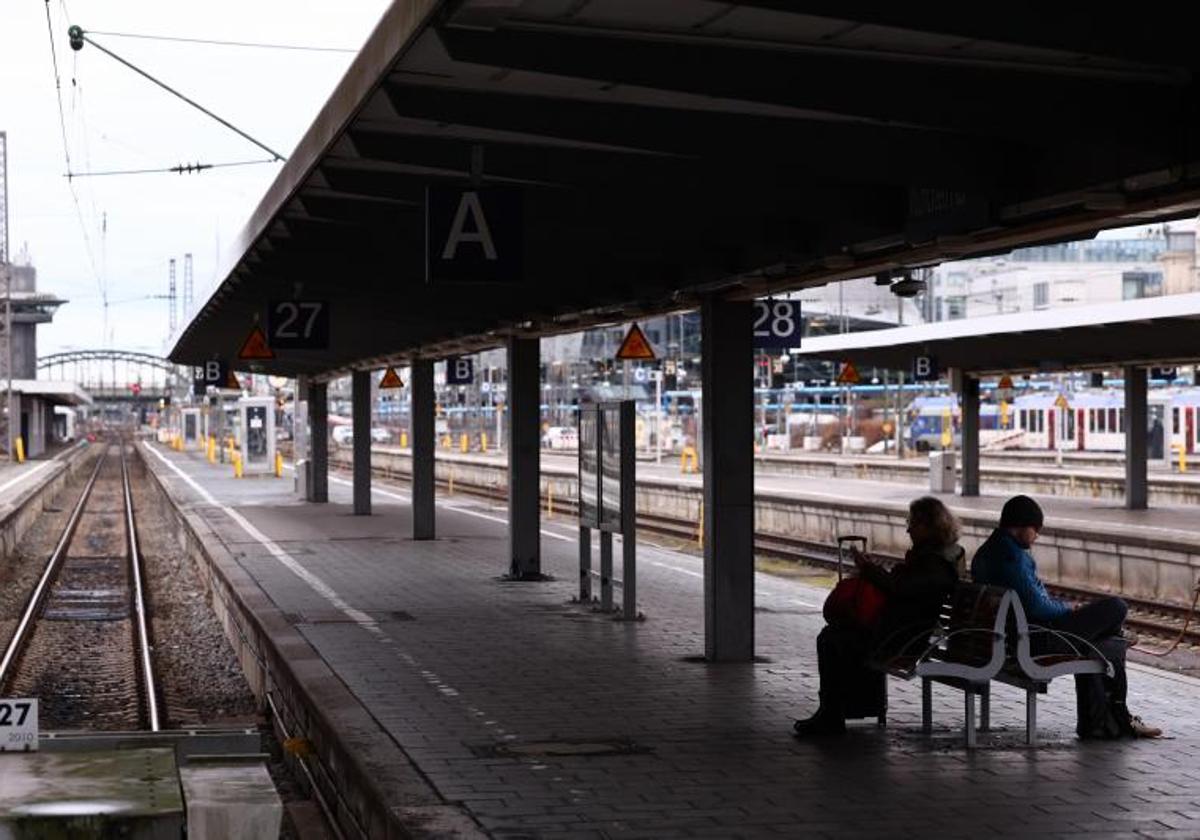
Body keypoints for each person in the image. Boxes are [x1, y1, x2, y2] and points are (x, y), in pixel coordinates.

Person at [971, 494, 1161, 739]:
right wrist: (1069, 609)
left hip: (1010, 639)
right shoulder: (1012, 558)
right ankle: (1115, 718)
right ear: (1022, 526)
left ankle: (1107, 720)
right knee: (1116, 607)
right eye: (1036, 529)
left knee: (1103, 644)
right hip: (1036, 640)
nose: (1037, 535)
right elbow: (1038, 608)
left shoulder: (988, 552)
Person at [794, 496, 963, 737]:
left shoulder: (936, 565)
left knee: (835, 640)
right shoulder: (928, 558)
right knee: (832, 636)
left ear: (929, 525)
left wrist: (869, 570)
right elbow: (902, 587)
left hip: (903, 638)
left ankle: (832, 714)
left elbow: (899, 588)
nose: (908, 528)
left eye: (913, 522)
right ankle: (833, 711)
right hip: (896, 630)